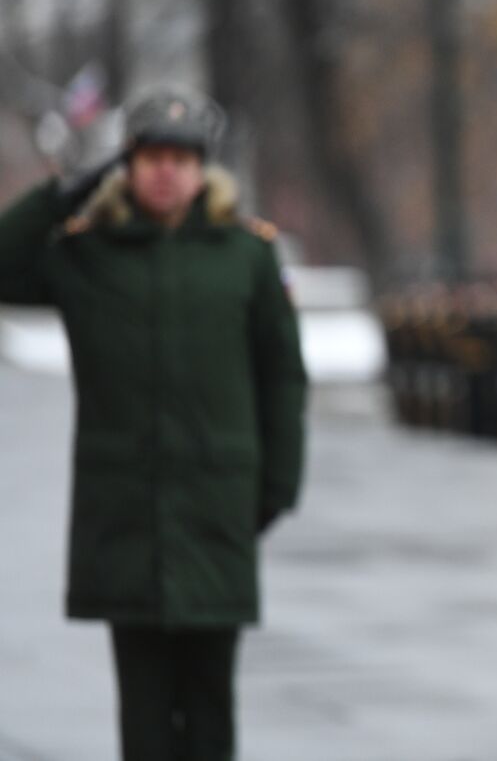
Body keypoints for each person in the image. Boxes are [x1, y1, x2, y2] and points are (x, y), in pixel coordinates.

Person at [0, 85, 307, 761]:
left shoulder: (244, 256)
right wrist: (62, 193)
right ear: (126, 166)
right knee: (142, 717)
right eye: (149, 156)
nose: (165, 170)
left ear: (203, 168)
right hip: (126, 518)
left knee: (209, 711)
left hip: (216, 511)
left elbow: (282, 374)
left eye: (180, 156)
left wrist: (276, 487)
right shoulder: (87, 254)